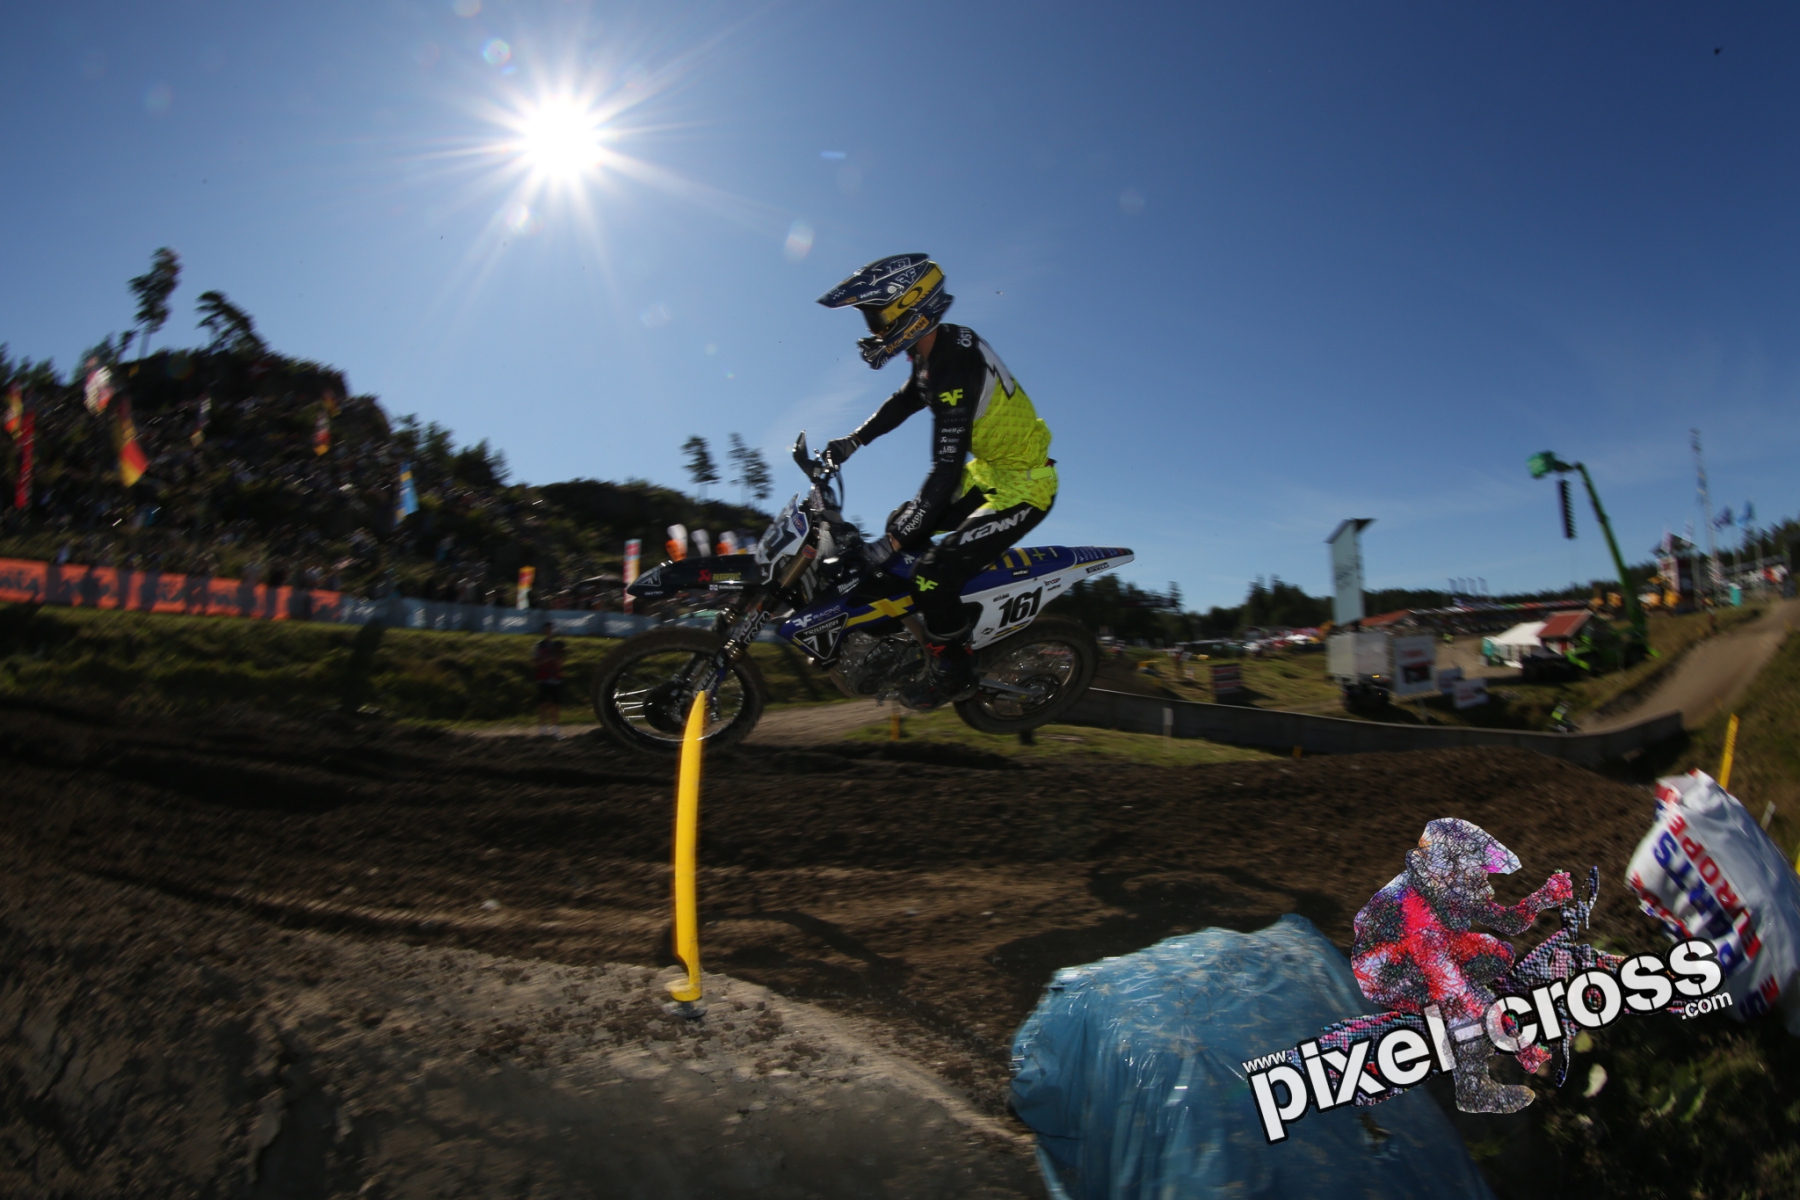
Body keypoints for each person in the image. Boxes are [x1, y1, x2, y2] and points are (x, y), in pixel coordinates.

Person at [817, 254, 1058, 709]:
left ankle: (954, 671)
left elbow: (945, 471)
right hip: (991, 471)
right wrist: (853, 441)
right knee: (902, 523)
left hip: (1024, 488)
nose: (872, 331)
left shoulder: (953, 368)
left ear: (911, 310)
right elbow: (909, 397)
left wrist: (889, 544)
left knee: (930, 571)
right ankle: (917, 625)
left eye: (876, 318)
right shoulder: (935, 346)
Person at [533, 621, 566, 737]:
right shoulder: (540, 645)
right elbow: (535, 662)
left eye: (550, 630)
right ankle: (542, 730)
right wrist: (548, 659)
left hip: (555, 678)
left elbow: (561, 661)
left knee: (555, 705)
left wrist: (558, 658)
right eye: (547, 630)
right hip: (544, 677)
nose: (549, 632)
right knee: (543, 704)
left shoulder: (557, 645)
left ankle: (555, 730)